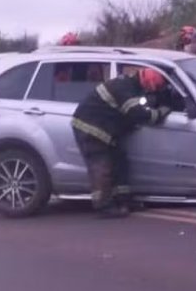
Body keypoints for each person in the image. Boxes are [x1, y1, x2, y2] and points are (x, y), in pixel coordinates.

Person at [71, 68, 171, 218]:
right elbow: (140, 115)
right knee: (101, 167)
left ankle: (123, 200)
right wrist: (162, 111)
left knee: (120, 163)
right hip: (90, 129)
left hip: (106, 131)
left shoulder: (131, 86)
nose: (154, 92)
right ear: (148, 84)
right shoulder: (125, 88)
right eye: (154, 89)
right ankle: (103, 206)